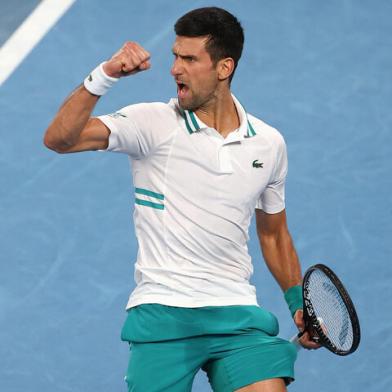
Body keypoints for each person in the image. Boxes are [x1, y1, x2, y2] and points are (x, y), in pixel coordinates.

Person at [44, 6, 319, 392]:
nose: (174, 69)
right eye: (175, 56)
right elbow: (60, 139)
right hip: (164, 313)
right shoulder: (150, 123)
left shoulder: (268, 144)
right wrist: (104, 76)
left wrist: (296, 302)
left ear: (224, 68)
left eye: (189, 59)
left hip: (236, 314)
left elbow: (273, 234)